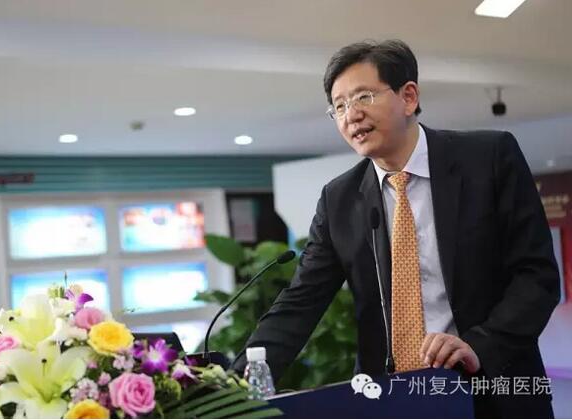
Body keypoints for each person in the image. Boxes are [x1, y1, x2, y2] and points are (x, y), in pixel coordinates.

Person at [231, 40, 560, 418]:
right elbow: (301, 301)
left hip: (492, 389)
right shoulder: (339, 200)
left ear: (408, 97)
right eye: (339, 106)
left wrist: (479, 345)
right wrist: (229, 387)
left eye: (363, 97)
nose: (351, 115)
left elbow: (537, 276)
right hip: (390, 401)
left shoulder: (488, 159)